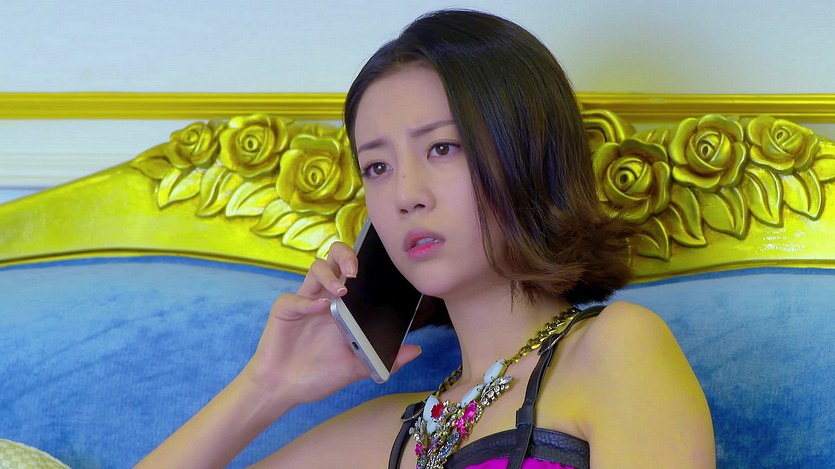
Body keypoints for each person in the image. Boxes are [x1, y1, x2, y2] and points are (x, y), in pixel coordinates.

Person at [138, 9, 714, 469]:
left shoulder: (617, 348)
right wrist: (267, 386)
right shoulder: (396, 430)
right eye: (377, 167)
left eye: (442, 148)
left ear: (527, 154)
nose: (405, 195)